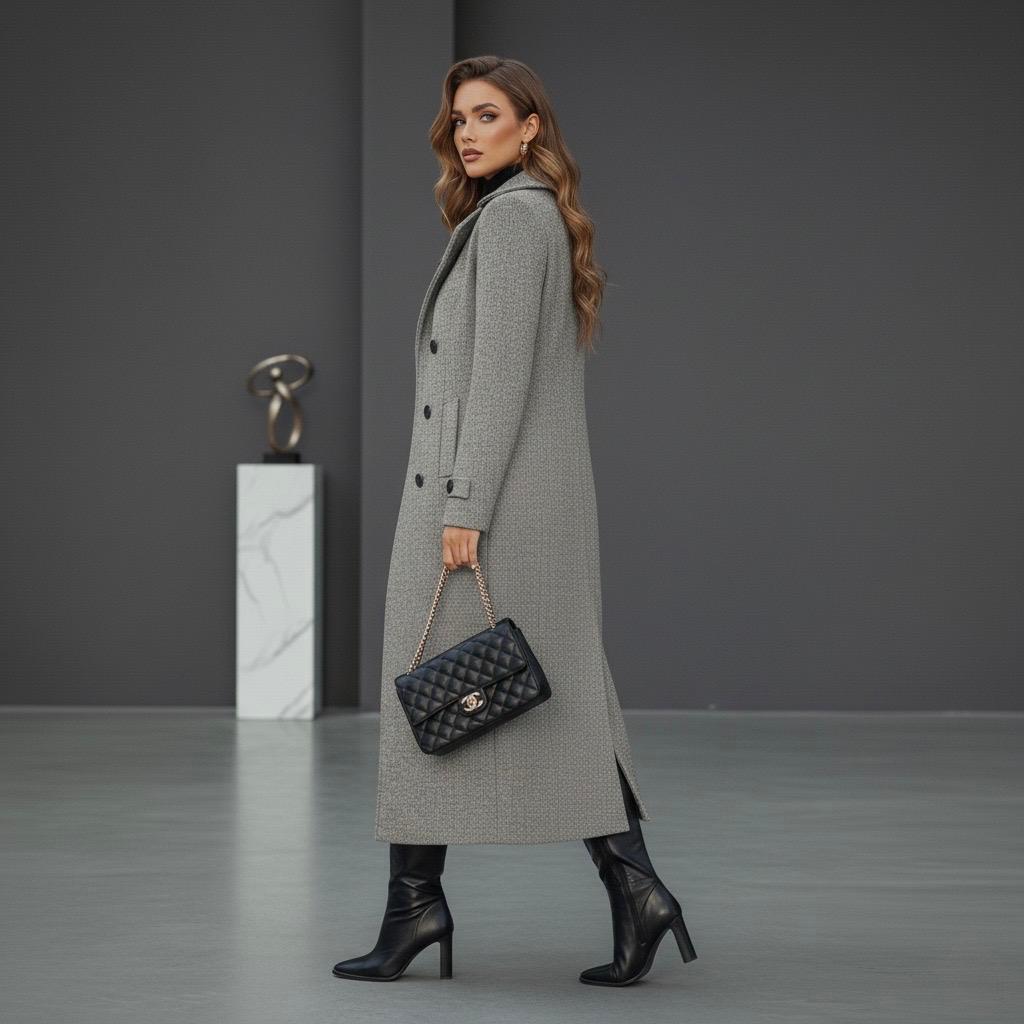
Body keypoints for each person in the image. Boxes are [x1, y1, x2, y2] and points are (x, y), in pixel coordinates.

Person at [332, 55, 697, 986]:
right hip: (524, 497)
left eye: (487, 115)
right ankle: (625, 893)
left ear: (530, 126)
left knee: (449, 684)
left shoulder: (512, 220)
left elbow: (499, 379)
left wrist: (465, 508)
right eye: (459, 118)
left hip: (487, 500)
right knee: (535, 690)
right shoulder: (524, 215)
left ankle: (421, 910)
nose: (467, 133)